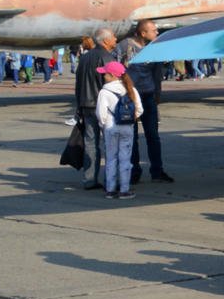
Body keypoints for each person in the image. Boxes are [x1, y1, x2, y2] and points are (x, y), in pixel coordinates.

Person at [115, 21, 173, 184]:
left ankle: (157, 171)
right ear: (142, 33)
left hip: (148, 96)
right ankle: (134, 172)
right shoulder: (124, 46)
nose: (157, 33)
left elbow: (157, 74)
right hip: (129, 98)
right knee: (131, 137)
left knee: (153, 136)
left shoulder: (155, 48)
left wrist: (158, 94)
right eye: (153, 30)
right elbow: (115, 70)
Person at [95, 60, 142, 199]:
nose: (103, 76)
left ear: (112, 75)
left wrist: (103, 124)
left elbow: (100, 113)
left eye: (105, 74)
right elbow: (139, 109)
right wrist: (130, 120)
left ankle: (110, 189)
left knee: (111, 159)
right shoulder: (131, 89)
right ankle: (124, 190)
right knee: (125, 159)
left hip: (110, 128)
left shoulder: (105, 91)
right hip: (127, 128)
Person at [74, 31, 115, 189]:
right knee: (110, 143)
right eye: (113, 36)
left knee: (91, 143)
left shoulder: (85, 56)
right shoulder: (106, 58)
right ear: (106, 40)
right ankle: (111, 180)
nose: (116, 39)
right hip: (103, 106)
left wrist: (79, 105)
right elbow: (111, 83)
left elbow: (78, 83)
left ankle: (89, 180)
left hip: (87, 103)